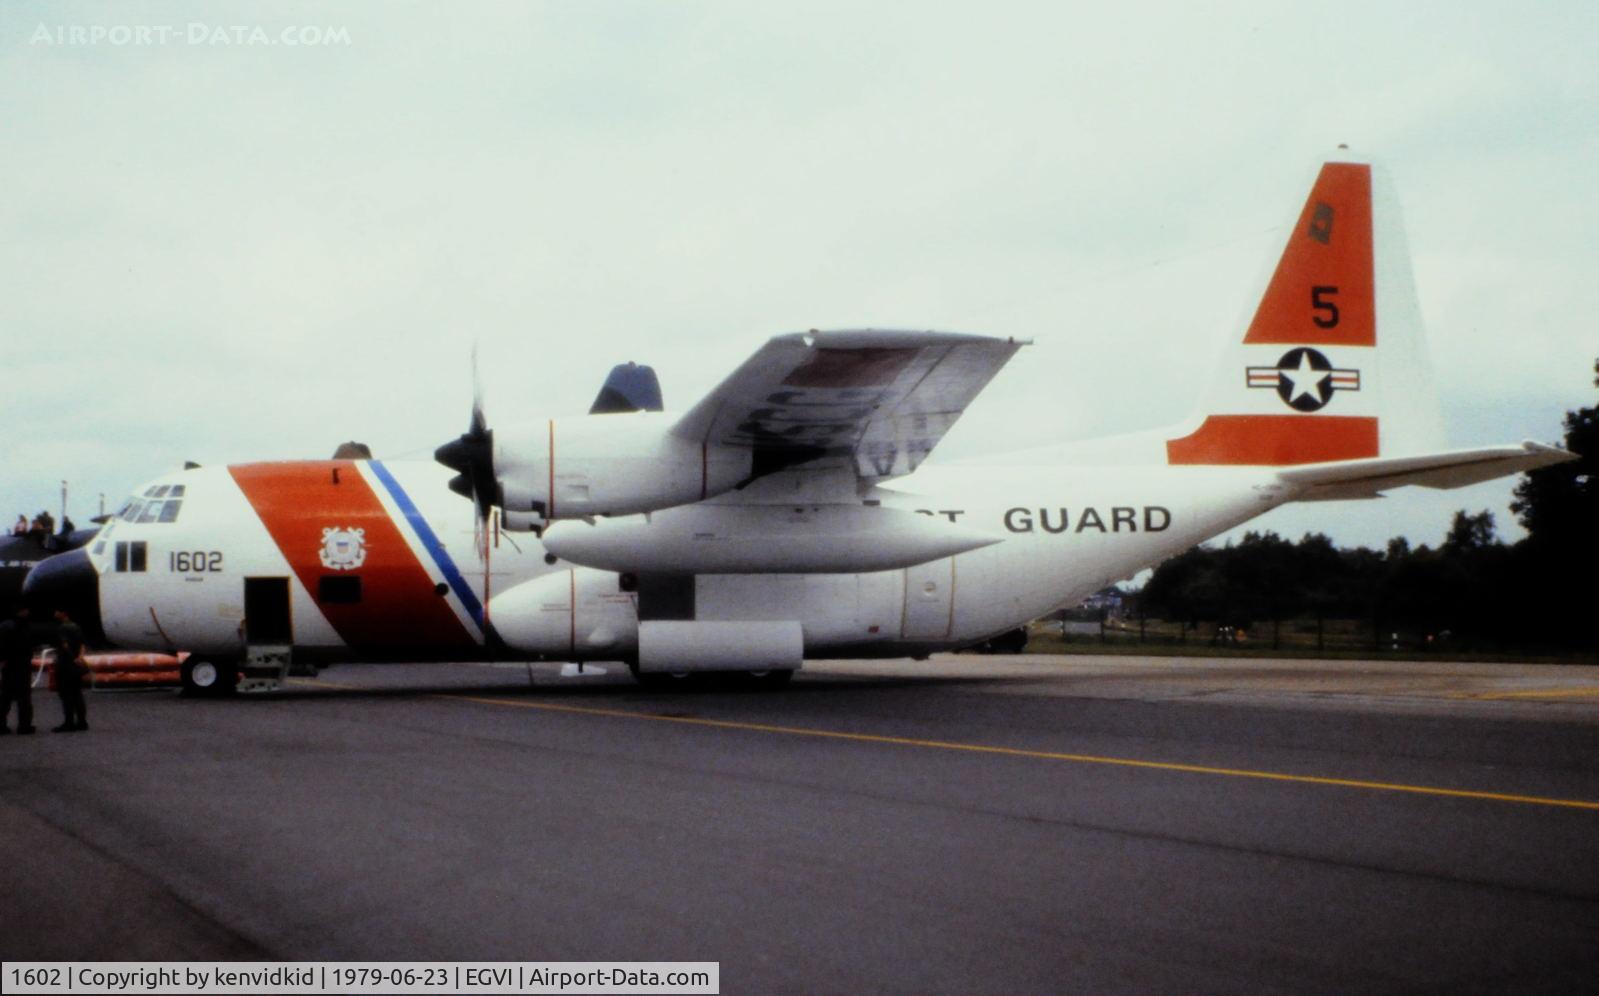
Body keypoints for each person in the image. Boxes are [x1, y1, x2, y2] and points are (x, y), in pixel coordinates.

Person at [0, 603, 37, 735]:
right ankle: (24, 725)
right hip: (22, 665)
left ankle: (1, 725)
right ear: (22, 611)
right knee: (24, 697)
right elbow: (28, 645)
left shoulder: (5, 625)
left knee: (5, 696)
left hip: (9, 665)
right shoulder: (25, 626)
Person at [51, 607, 88, 733]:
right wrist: (79, 658)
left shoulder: (62, 628)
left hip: (65, 665)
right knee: (77, 693)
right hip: (76, 664)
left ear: (63, 613)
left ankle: (69, 722)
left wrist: (72, 658)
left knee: (66, 695)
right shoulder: (76, 626)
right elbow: (83, 644)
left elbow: (65, 645)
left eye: (57, 611)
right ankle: (82, 721)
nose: (54, 613)